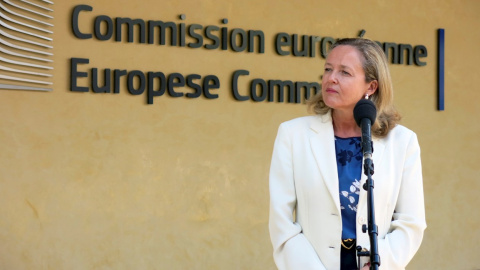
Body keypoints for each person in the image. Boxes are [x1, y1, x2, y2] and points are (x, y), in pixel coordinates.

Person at [268, 38, 426, 270]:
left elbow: (410, 222)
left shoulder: (402, 142)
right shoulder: (293, 135)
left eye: (345, 72)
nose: (331, 78)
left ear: (370, 87)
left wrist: (377, 265)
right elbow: (281, 222)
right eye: (328, 69)